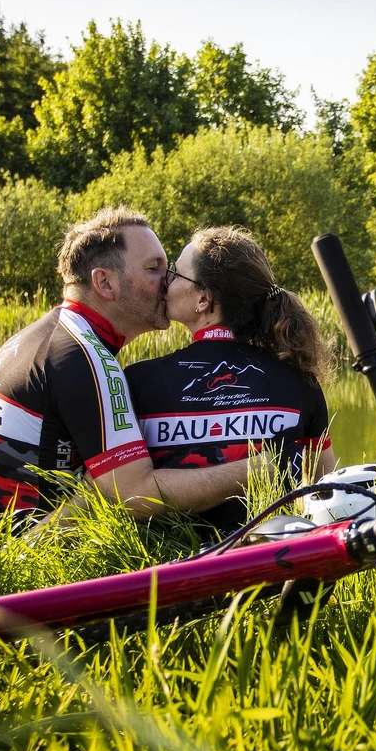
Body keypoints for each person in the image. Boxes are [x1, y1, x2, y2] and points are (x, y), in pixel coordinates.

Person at [0, 207, 257, 521]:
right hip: (35, 553)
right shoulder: (84, 357)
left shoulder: (47, 336)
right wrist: (261, 468)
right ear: (104, 283)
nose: (168, 280)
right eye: (153, 268)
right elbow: (135, 495)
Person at [126, 226, 337, 535]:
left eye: (175, 274)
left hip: (165, 568)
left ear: (204, 299)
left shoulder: (139, 380)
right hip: (270, 560)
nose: (166, 283)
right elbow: (328, 491)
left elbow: (119, 493)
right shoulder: (299, 380)